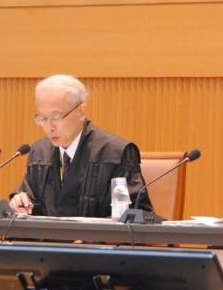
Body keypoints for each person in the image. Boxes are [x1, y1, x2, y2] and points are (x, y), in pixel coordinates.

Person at [9, 74, 153, 218]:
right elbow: (30, 201)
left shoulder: (116, 153)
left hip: (94, 240)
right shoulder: (38, 152)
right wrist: (20, 202)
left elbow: (136, 214)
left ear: (81, 112)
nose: (49, 127)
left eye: (56, 116)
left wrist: (94, 240)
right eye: (43, 118)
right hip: (47, 241)